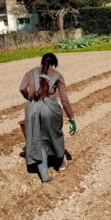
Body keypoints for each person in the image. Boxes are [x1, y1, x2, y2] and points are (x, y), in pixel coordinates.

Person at [19, 53, 76, 182]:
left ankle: (44, 176)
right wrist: (71, 118)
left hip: (32, 109)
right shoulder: (58, 75)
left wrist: (30, 98)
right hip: (50, 108)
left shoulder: (30, 72)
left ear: (42, 63)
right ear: (53, 65)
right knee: (55, 135)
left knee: (37, 139)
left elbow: (22, 88)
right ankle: (61, 163)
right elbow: (65, 100)